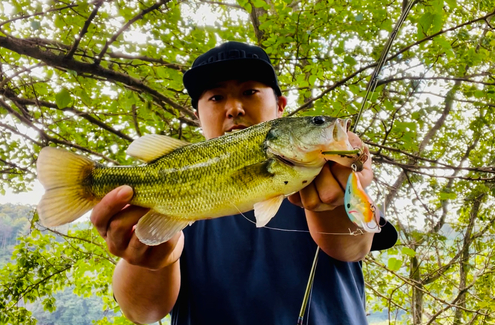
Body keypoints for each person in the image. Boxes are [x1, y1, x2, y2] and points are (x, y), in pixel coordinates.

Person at [91, 41, 398, 325]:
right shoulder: (172, 198)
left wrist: (337, 198)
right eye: (216, 97)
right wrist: (153, 256)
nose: (234, 107)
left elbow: (353, 247)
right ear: (198, 115)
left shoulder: (323, 176)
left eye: (249, 91)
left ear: (280, 107)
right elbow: (143, 311)